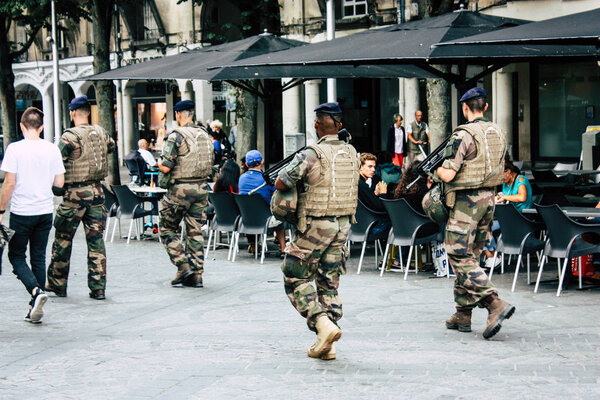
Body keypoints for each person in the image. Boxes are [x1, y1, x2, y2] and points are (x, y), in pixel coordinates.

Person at [275, 102, 359, 360]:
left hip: (315, 226)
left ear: (316, 125)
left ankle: (322, 324)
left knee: (295, 276)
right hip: (343, 226)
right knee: (329, 284)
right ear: (340, 125)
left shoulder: (310, 154)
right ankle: (328, 346)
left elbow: (282, 181)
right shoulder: (353, 153)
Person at [435, 87, 515, 340]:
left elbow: (448, 174)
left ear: (465, 108)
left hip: (466, 203)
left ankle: (494, 303)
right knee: (472, 256)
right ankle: (463, 313)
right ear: (486, 107)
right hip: (489, 200)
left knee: (459, 255)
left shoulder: (463, 134)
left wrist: (435, 170)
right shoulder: (498, 132)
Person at [46, 96, 115, 300]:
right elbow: (110, 147)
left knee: (63, 239)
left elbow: (57, 161)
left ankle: (57, 284)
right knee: (96, 241)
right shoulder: (102, 132)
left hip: (75, 195)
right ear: (88, 112)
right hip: (97, 193)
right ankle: (98, 288)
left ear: (73, 112)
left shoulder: (70, 136)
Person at [0, 107, 64, 323]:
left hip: (21, 211)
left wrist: (0, 210)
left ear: (21, 126)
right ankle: (35, 308)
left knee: (16, 255)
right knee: (38, 255)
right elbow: (59, 183)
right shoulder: (52, 149)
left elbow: (9, 183)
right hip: (45, 211)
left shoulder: (14, 149)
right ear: (42, 127)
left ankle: (36, 292)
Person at [157, 100, 213, 288]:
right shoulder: (205, 135)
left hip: (180, 190)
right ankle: (197, 275)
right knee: (195, 231)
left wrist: (158, 162)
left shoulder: (176, 136)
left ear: (179, 114)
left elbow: (166, 166)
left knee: (166, 228)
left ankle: (183, 265)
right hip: (201, 189)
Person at [482, 162, 533, 266]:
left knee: (486, 227)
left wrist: (504, 197)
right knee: (480, 226)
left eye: (502, 176)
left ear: (508, 172)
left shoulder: (521, 180)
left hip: (521, 219)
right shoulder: (505, 184)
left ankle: (493, 257)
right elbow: (506, 199)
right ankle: (492, 256)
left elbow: (522, 197)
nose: (501, 180)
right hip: (507, 218)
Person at [238, 150, 286, 255]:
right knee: (280, 215)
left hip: (246, 218)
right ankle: (283, 248)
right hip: (266, 218)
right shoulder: (266, 180)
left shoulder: (241, 179)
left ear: (246, 164)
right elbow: (276, 194)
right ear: (262, 162)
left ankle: (253, 244)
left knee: (251, 208)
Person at [358, 153, 391, 239]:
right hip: (369, 228)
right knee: (399, 223)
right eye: (369, 166)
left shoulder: (357, 182)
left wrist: (375, 194)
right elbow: (381, 207)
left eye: (374, 167)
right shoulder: (361, 185)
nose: (373, 169)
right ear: (360, 167)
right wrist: (383, 193)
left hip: (355, 228)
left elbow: (369, 203)